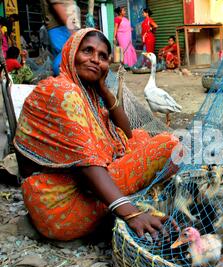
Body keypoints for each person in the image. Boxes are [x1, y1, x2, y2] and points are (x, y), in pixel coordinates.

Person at [14, 29, 181, 241]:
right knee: (170, 146)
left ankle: (127, 194)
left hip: (80, 183)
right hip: (61, 206)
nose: (95, 60)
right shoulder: (62, 91)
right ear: (71, 53)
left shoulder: (88, 94)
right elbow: (88, 164)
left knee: (140, 136)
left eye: (103, 56)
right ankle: (131, 200)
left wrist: (103, 89)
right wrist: (132, 214)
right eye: (87, 51)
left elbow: (126, 135)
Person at [40, 0, 81, 76]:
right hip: (62, 27)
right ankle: (64, 83)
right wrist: (73, 31)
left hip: (65, 27)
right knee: (64, 61)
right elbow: (57, 5)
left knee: (67, 60)